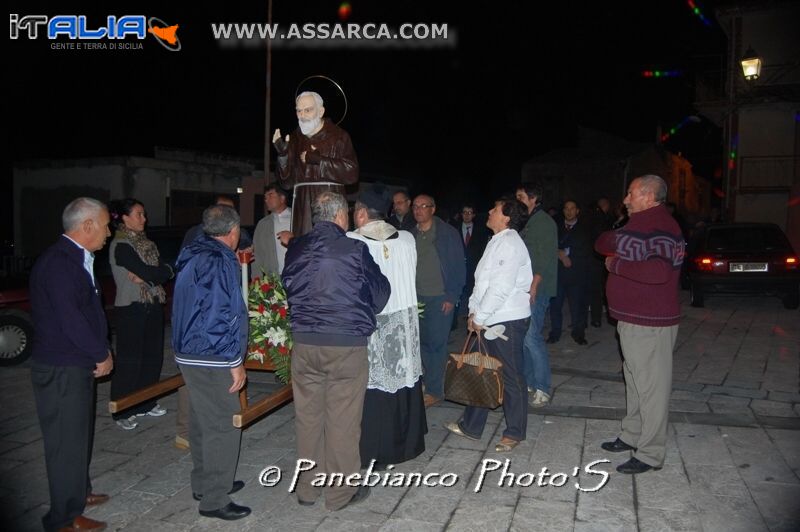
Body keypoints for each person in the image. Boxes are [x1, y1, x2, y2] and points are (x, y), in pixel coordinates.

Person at [283, 191, 390, 510]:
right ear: (341, 216)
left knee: (307, 418)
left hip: (305, 344)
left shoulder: (296, 248)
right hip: (344, 346)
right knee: (343, 420)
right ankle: (341, 492)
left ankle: (307, 489)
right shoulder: (355, 249)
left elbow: (288, 285)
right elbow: (381, 293)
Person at [29, 197, 113, 532]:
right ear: (87, 225)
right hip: (62, 365)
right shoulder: (60, 263)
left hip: (74, 363)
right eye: (106, 225)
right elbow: (71, 319)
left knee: (78, 435)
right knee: (65, 442)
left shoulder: (77, 258)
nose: (109, 233)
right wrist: (101, 352)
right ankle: (63, 517)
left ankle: (78, 491)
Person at [595, 175, 684, 474]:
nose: (625, 199)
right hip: (632, 319)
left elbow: (659, 271)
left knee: (652, 388)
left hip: (650, 322)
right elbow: (603, 241)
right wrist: (617, 242)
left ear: (647, 195)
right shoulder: (640, 224)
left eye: (630, 193)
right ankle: (632, 434)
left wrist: (616, 263)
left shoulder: (662, 227)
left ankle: (650, 452)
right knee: (634, 380)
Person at [172, 204, 250, 520]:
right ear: (232, 232)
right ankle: (215, 499)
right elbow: (222, 313)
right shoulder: (219, 259)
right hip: (211, 352)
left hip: (188, 349)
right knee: (223, 421)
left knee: (202, 419)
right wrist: (234, 359)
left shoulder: (192, 252)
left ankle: (206, 483)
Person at [445, 197, 532, 453]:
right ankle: (472, 425)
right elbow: (482, 282)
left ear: (506, 217)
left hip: (506, 321)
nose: (490, 212)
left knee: (511, 376)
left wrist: (480, 317)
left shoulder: (510, 244)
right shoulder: (497, 241)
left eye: (495, 209)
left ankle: (515, 431)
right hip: (488, 318)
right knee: (482, 369)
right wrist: (474, 312)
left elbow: (501, 288)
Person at [348, 195, 427, 470]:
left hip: (372, 322)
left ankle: (373, 450)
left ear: (360, 214)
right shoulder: (406, 239)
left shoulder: (353, 241)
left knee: (374, 385)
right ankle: (406, 444)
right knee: (401, 380)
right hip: (403, 322)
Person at [108, 198, 175, 430]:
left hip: (153, 305)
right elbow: (152, 272)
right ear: (125, 218)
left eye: (144, 214)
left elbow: (164, 270)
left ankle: (145, 403)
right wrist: (154, 274)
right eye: (139, 214)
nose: (144, 219)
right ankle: (122, 409)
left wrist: (154, 274)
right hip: (131, 308)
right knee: (130, 361)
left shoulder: (146, 243)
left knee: (152, 358)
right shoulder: (121, 245)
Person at [273, 91, 359, 237]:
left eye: (308, 110)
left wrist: (320, 161)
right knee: (304, 250)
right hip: (302, 206)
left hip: (330, 205)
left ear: (321, 111)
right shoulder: (293, 139)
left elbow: (352, 173)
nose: (302, 115)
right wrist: (282, 156)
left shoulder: (339, 136)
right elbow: (286, 184)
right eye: (299, 111)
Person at [410, 194, 466, 408]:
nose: (418, 210)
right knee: (422, 342)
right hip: (418, 298)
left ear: (433, 209)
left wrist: (452, 296)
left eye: (423, 206)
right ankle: (430, 380)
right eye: (415, 206)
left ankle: (435, 389)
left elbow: (459, 268)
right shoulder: (410, 235)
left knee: (437, 344)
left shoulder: (446, 234)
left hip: (440, 297)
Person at [515, 183, 558, 408]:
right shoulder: (528, 221)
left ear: (533, 199)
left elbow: (545, 256)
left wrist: (534, 285)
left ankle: (542, 387)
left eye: (521, 197)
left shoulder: (543, 222)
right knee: (524, 338)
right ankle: (529, 382)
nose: (517, 200)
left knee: (532, 337)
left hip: (537, 288)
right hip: (525, 286)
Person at [547, 199, 591, 346]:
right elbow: (548, 245)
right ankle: (555, 333)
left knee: (577, 306)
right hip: (558, 274)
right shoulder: (555, 227)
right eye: (566, 208)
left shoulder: (585, 228)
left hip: (576, 274)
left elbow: (586, 250)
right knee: (555, 306)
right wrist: (558, 252)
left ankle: (578, 333)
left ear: (577, 210)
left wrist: (566, 255)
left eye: (572, 208)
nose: (569, 211)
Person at [453, 203, 489, 316]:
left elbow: (483, 250)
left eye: (469, 213)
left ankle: (470, 316)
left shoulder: (481, 231)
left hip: (473, 267)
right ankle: (454, 318)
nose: (467, 215)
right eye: (464, 212)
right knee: (456, 293)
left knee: (471, 294)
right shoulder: (454, 230)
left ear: (473, 215)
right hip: (458, 267)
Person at [181, 195, 252, 251]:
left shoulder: (240, 233)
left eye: (230, 210)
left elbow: (248, 247)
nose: (226, 213)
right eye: (222, 209)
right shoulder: (196, 232)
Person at [251, 184, 292, 279]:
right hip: (273, 278)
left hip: (296, 275)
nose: (266, 200)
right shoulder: (262, 224)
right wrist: (256, 281)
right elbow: (257, 255)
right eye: (265, 197)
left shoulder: (298, 218)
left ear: (282, 198)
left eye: (270, 195)